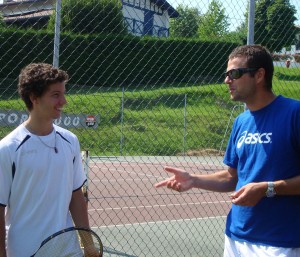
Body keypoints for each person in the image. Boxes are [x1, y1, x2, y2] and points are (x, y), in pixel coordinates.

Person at [155, 45, 300, 257]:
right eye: (227, 74)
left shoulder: (294, 114)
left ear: (259, 75)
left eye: (235, 73)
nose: (227, 80)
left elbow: (264, 186)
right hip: (235, 237)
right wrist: (193, 180)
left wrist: (268, 188)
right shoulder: (241, 122)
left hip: (280, 243)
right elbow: (232, 177)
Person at [0, 63, 95, 256]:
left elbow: (76, 196)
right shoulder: (8, 148)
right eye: (55, 95)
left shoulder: (70, 141)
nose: (63, 101)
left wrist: (89, 245)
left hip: (68, 250)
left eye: (63, 93)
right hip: (25, 251)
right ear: (34, 98)